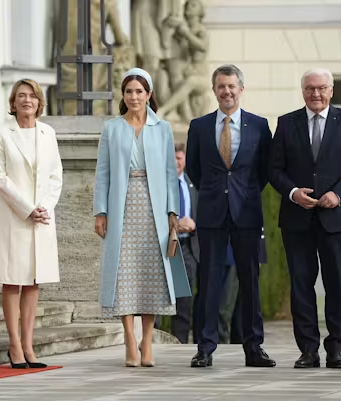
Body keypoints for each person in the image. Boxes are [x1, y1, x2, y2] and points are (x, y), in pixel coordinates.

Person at [269, 68, 341, 369]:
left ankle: (336, 348)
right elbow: (274, 169)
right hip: (297, 219)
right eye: (310, 88)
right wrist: (293, 193)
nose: (316, 93)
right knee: (301, 285)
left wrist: (338, 194)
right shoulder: (287, 123)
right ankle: (308, 350)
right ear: (303, 91)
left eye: (322, 88)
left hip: (337, 219)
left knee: (337, 285)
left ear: (331, 90)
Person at [93, 67, 190, 368]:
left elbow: (170, 173)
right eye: (128, 91)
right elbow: (103, 172)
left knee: (152, 275)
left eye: (139, 91)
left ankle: (147, 341)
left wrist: (173, 212)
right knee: (124, 274)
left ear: (149, 95)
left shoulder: (162, 128)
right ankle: (129, 339)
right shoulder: (112, 128)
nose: (133, 96)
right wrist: (100, 211)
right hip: (121, 207)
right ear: (123, 95)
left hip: (154, 209)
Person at [185, 64, 275, 368]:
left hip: (247, 212)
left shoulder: (259, 126)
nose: (227, 91)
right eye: (221, 86)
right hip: (211, 214)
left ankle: (254, 348)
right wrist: (216, 193)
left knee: (250, 282)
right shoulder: (199, 126)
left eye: (231, 86)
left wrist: (243, 193)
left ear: (241, 89)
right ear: (214, 90)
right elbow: (194, 169)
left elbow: (264, 170)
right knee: (209, 282)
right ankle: (205, 348)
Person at [0, 79, 63, 369]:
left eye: (32, 95)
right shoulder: (0, 133)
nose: (27, 100)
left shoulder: (48, 133)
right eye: (21, 95)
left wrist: (44, 208)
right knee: (12, 279)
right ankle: (14, 346)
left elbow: (56, 175)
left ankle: (29, 346)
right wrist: (28, 209)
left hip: (41, 217)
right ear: (13, 102)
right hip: (12, 216)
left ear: (39, 102)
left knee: (34, 279)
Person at [169, 142, 199, 344]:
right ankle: (152, 341)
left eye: (179, 158)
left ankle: (180, 343)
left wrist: (194, 225)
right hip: (166, 247)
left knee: (184, 300)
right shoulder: (161, 184)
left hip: (188, 248)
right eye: (172, 158)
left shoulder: (193, 184)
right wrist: (176, 225)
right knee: (160, 297)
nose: (176, 162)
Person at [218, 231, 267, 345]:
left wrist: (259, 253)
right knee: (224, 308)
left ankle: (240, 345)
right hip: (228, 252)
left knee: (243, 309)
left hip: (247, 250)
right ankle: (220, 344)